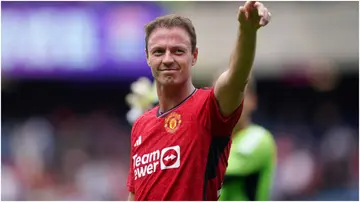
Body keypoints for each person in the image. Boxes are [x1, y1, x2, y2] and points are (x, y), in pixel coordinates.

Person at [127, 1, 271, 200]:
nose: (167, 59)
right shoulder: (141, 125)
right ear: (147, 58)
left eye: (178, 51)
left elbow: (236, 78)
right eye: (158, 51)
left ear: (194, 56)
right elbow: (135, 194)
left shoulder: (207, 108)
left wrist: (247, 31)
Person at [219, 78, 277, 201]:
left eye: (236, 95)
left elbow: (221, 171)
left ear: (253, 101)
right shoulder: (212, 140)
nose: (229, 103)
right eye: (221, 96)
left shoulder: (258, 138)